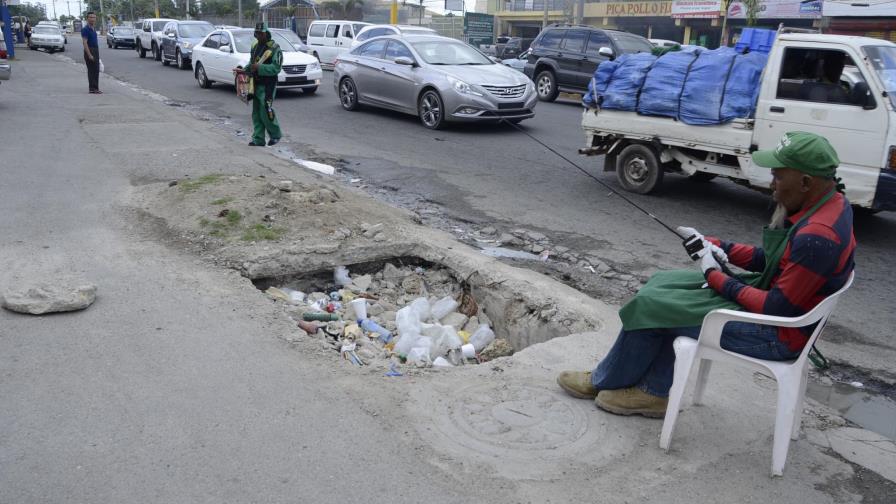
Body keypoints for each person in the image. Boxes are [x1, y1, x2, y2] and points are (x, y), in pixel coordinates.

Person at [557, 131, 856, 418]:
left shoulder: (818, 236)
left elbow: (774, 308)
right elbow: (772, 260)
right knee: (662, 283)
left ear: (805, 181)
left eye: (778, 176)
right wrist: (715, 245)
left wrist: (714, 275)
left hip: (776, 335)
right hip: (777, 310)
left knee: (655, 306)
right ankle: (641, 384)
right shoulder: (831, 203)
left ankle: (626, 385)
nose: (772, 184)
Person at [241, 22, 283, 147]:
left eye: (261, 33)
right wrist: (243, 70)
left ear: (266, 33)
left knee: (266, 110)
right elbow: (251, 63)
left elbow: (276, 68)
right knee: (256, 112)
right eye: (257, 33)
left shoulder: (274, 48)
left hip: (268, 84)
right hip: (256, 83)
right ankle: (258, 139)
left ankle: (276, 135)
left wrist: (260, 68)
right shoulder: (255, 46)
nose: (259, 36)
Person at [81, 12, 100, 94]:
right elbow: (85, 43)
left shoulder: (93, 28)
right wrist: (89, 54)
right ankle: (94, 88)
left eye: (94, 17)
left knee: (96, 70)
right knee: (92, 70)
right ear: (87, 18)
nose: (92, 19)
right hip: (90, 50)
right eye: (91, 17)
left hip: (95, 50)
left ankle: (93, 88)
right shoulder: (85, 29)